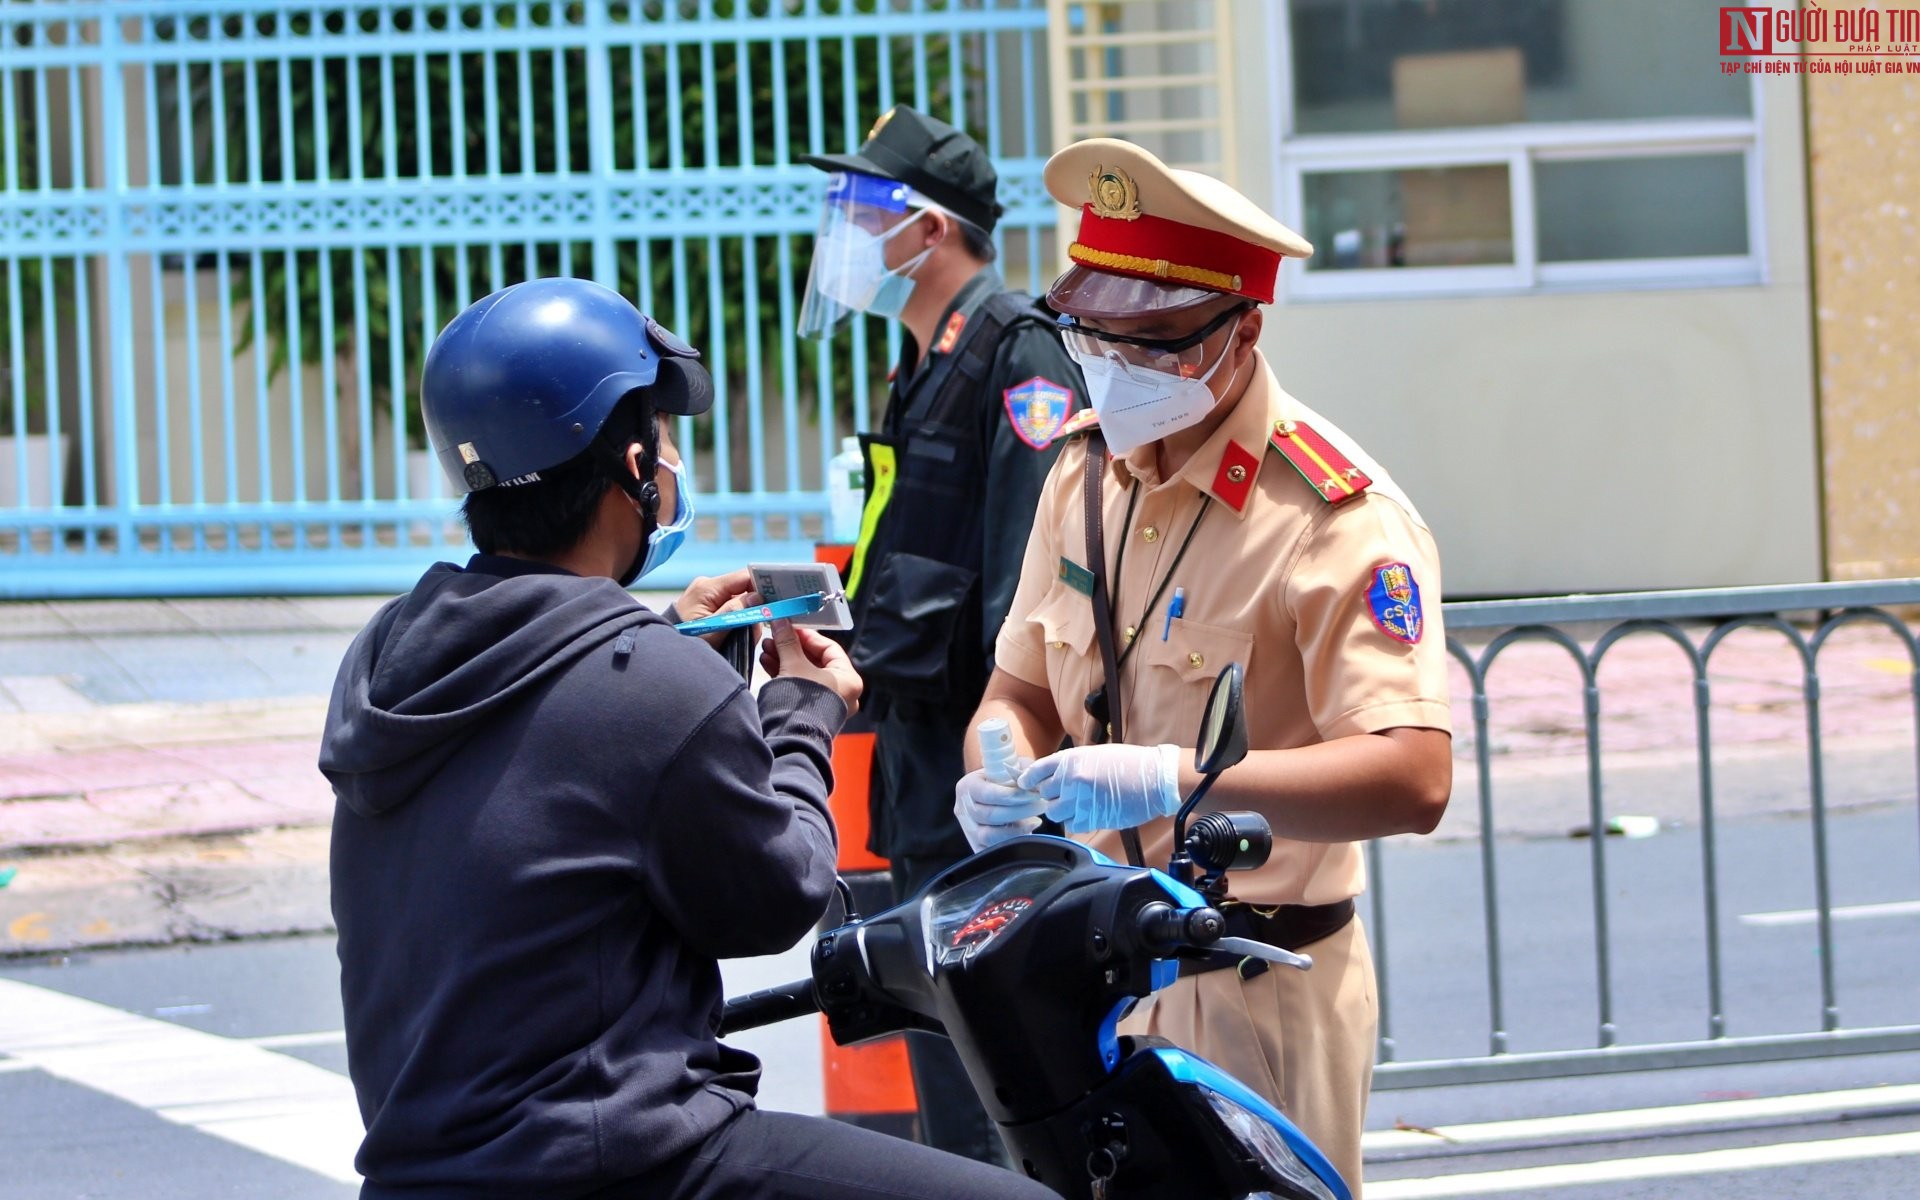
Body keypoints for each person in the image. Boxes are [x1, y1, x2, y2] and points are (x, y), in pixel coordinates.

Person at [321, 277, 1052, 1200]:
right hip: (625, 1165)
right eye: (663, 437)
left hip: (421, 1169)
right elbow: (779, 895)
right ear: (631, 466)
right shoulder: (647, 686)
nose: (669, 460)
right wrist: (801, 711)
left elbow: (548, 729)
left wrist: (664, 644)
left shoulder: (394, 652)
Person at [952, 140, 1454, 1197]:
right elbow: (1022, 688)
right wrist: (998, 766)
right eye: (1094, 336)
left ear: (1244, 331)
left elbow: (1413, 778)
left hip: (1250, 981)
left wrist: (1179, 780)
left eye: (1155, 344)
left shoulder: (1333, 517)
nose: (1115, 365)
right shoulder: (1084, 475)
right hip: (1084, 967)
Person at [795, 105, 1083, 1163]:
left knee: (993, 1076)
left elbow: (1029, 586)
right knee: (942, 1071)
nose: (844, 231)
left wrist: (1010, 768)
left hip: (979, 776)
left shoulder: (1018, 355)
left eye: (863, 208)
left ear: (932, 230)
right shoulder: (916, 369)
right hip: (917, 771)